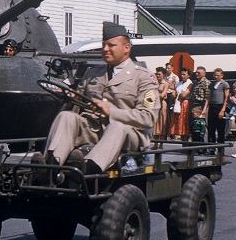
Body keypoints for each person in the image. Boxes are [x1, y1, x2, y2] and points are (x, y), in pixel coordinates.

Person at [38, 22, 158, 174]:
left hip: (129, 135)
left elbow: (148, 118)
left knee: (117, 126)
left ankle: (87, 168)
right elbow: (79, 105)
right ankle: (51, 166)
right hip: (95, 130)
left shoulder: (143, 77)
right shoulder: (92, 73)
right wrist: (70, 98)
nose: (105, 49)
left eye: (111, 45)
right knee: (66, 117)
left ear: (126, 48)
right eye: (104, 45)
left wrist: (112, 112)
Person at [206, 68, 229, 148]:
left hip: (220, 107)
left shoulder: (224, 84)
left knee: (220, 129)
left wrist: (222, 110)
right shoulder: (212, 84)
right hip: (212, 107)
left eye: (218, 75)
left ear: (222, 75)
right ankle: (211, 148)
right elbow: (209, 97)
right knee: (211, 128)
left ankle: (220, 149)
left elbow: (226, 98)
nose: (216, 77)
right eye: (215, 75)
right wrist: (207, 108)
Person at [169, 68, 192, 140]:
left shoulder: (190, 83)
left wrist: (178, 94)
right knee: (178, 122)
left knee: (184, 121)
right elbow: (174, 94)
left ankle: (186, 142)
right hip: (178, 103)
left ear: (188, 75)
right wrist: (176, 93)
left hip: (185, 104)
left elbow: (184, 95)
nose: (182, 76)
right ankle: (182, 142)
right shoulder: (179, 83)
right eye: (181, 74)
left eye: (184, 74)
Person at [153, 68, 170, 140]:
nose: (157, 76)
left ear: (163, 75)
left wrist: (155, 94)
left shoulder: (166, 84)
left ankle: (161, 144)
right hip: (155, 104)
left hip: (162, 104)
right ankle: (155, 144)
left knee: (162, 122)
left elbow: (162, 95)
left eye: (159, 74)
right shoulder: (154, 83)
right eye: (156, 74)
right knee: (155, 123)